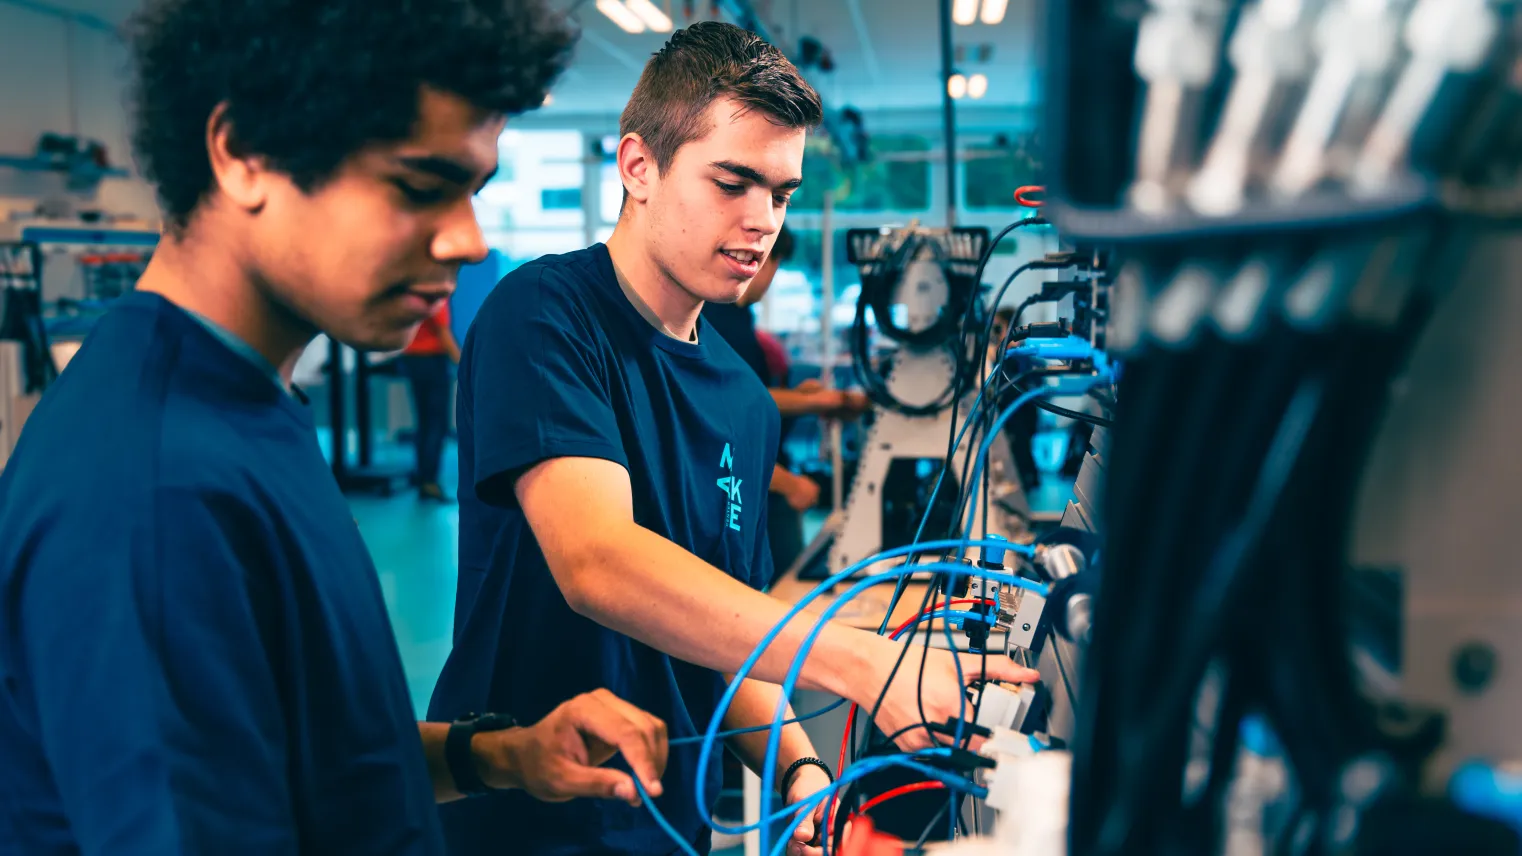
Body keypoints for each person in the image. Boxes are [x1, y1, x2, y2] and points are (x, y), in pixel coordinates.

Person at [0, 2, 669, 853]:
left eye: (472, 191)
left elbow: (306, 751)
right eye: (420, 187)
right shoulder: (154, 494)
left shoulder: (244, 404)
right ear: (244, 153)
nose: (469, 240)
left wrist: (503, 755)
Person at [428, 22, 1038, 856]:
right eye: (732, 182)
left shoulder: (745, 400)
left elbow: (726, 642)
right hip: (520, 824)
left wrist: (800, 772)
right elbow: (596, 561)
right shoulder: (544, 315)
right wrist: (859, 663)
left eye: (780, 194)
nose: (761, 221)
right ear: (638, 167)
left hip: (671, 828)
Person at [700, 225, 871, 574]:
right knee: (775, 583)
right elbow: (733, 408)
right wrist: (821, 402)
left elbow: (751, 397)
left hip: (761, 473)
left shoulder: (738, 317)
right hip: (746, 479)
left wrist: (805, 397)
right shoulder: (717, 320)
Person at [402, 300, 462, 502]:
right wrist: (464, 363)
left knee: (424, 422)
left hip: (413, 359)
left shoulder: (414, 296)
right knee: (436, 424)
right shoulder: (436, 297)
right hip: (432, 362)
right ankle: (429, 481)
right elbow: (443, 332)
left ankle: (423, 477)